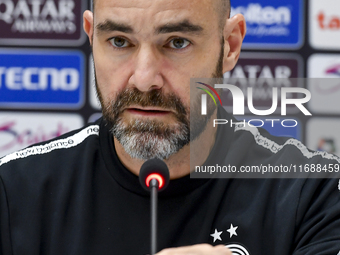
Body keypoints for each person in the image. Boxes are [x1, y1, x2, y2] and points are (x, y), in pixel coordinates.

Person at [1, 0, 340, 254]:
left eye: (177, 42)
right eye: (119, 41)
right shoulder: (12, 191)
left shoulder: (316, 193)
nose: (145, 79)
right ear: (92, 38)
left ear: (230, 46)